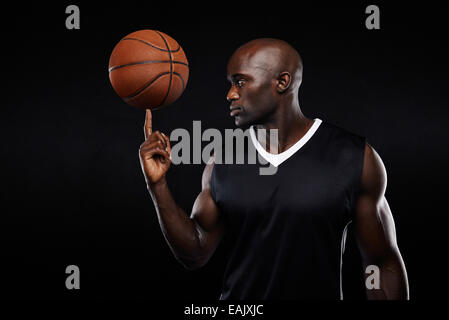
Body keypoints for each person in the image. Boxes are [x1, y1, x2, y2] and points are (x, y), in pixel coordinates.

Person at [138, 38, 409, 299]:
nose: (230, 94)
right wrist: (158, 186)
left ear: (282, 82)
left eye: (240, 82)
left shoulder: (353, 157)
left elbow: (382, 263)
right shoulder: (223, 161)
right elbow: (195, 252)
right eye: (231, 84)